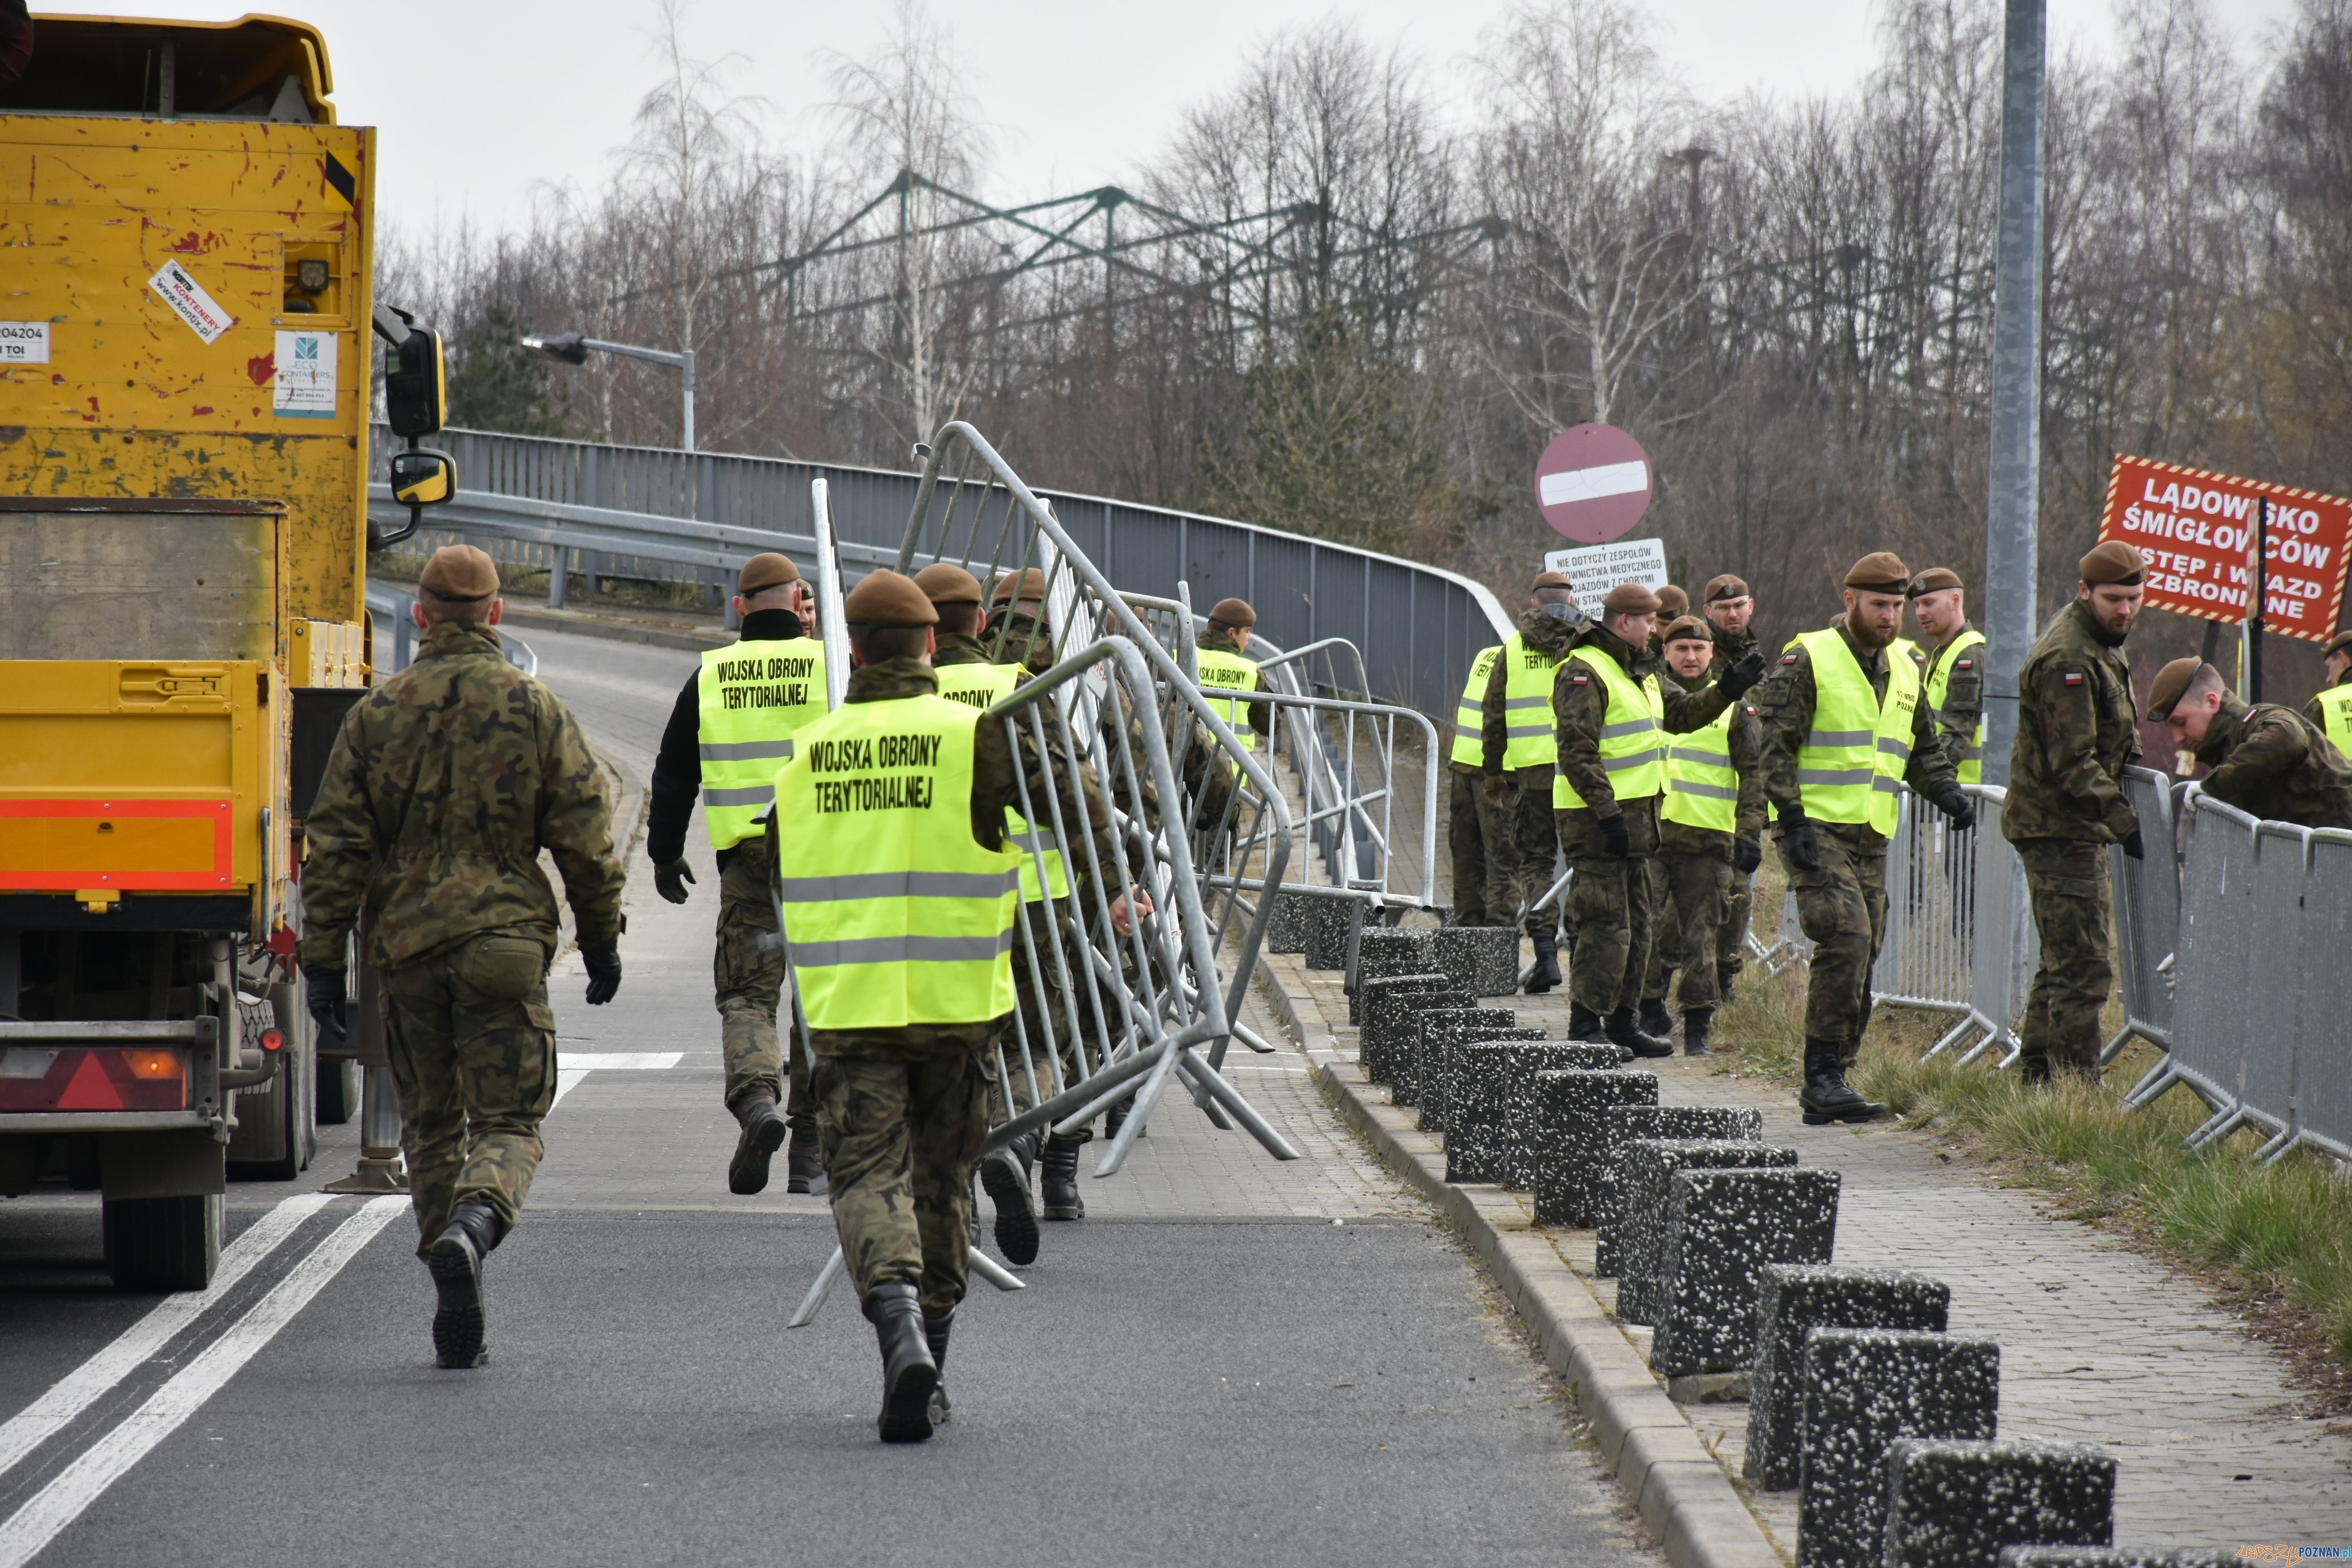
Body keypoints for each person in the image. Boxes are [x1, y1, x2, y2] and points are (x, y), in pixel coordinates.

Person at [778, 569, 1141, 1441]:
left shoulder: (809, 751)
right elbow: (1080, 806)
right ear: (933, 645)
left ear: (853, 650)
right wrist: (1113, 885)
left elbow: (777, 872)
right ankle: (931, 1357)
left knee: (867, 1177)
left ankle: (897, 1324)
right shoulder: (975, 735)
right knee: (942, 1185)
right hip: (957, 1009)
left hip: (852, 1009)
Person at [300, 545, 625, 1369]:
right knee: (509, 1121)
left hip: (406, 947)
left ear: (420, 614)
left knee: (432, 1124)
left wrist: (323, 957)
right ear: (497, 615)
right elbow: (586, 837)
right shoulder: (535, 707)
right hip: (505, 944)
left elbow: (335, 841)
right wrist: (600, 939)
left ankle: (448, 1255)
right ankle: (477, 1226)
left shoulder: (376, 713)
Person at [918, 562, 1139, 1244]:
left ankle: (955, 1205)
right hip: (1037, 898)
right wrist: (1117, 886)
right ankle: (1022, 1150)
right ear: (980, 621)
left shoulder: (900, 698)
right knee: (1045, 1039)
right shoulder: (1026, 686)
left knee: (952, 1049)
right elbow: (1082, 797)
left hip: (930, 905)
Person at [1755, 552, 1972, 1123]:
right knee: (1846, 936)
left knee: (1866, 948)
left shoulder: (1906, 664)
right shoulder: (1809, 657)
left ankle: (1836, 1076)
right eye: (1879, 605)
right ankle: (1821, 1077)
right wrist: (1792, 819)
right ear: (1850, 600)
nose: (1890, 616)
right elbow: (1773, 749)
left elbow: (1921, 749)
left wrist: (1948, 793)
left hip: (1872, 833)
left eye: (1897, 606)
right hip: (1816, 827)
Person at [644, 553, 827, 1196]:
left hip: (750, 863)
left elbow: (674, 774)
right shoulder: (832, 668)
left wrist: (664, 852)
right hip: (825, 854)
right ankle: (809, 1151)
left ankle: (757, 1103)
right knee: (820, 997)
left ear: (739, 606)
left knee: (749, 996)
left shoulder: (712, 676)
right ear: (799, 600)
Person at [1553, 584, 1763, 1056]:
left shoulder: (1640, 673)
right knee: (1604, 923)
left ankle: (1623, 1022)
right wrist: (1607, 814)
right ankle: (1585, 1024)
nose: (1655, 630)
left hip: (1637, 826)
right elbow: (1578, 752)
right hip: (1598, 824)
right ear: (1626, 621)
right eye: (1650, 622)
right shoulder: (1586, 671)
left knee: (1637, 927)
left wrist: (1725, 691)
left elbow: (1683, 713)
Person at [2002, 541, 2146, 1083]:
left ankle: (2040, 1079)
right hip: (2058, 828)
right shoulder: (2069, 656)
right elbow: (2073, 763)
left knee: (2063, 959)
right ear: (2085, 592)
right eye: (2114, 599)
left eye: (2134, 598)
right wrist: (2127, 820)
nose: (2125, 610)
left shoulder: (2103, 641)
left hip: (2073, 825)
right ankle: (2074, 1088)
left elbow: (2117, 731)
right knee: (2083, 967)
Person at [1637, 616, 1766, 1056]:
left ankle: (1697, 1026)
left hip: (1708, 841)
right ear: (1665, 653)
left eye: (1698, 649)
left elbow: (1753, 775)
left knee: (1700, 938)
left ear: (1712, 652)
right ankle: (1647, 1009)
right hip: (1653, 837)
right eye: (1681, 649)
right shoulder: (1647, 698)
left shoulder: (1734, 708)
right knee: (1646, 929)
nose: (1690, 657)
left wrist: (1749, 833)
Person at [1481, 571, 1587, 992]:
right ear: (1572, 601)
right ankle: (1581, 953)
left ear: (1534, 603)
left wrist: (1494, 771)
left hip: (1533, 776)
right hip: (1579, 771)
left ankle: (1545, 954)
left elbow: (1493, 715)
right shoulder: (1589, 644)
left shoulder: (1513, 647)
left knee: (1537, 861)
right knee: (1583, 862)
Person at [2148, 657, 2352, 829]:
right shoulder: (2231, 745)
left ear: (2212, 702)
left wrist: (2213, 786)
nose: (2178, 738)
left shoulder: (2259, 720)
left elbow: (2289, 737)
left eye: (2180, 723)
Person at [1703, 574, 1761, 1002]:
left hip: (1745, 793)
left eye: (1739, 605)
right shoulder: (1698, 654)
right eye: (1723, 608)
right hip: (1703, 790)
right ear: (1709, 613)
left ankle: (1726, 975)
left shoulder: (1758, 659)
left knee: (1740, 892)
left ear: (1751, 607)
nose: (1732, 614)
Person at [1446, 640, 1506, 926]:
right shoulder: (1536, 662)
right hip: (1499, 771)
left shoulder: (1486, 654)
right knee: (1502, 861)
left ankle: (1468, 934)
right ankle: (1497, 939)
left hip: (1463, 763)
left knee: (1466, 857)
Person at [1908, 568, 1986, 784]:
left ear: (1955, 600)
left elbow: (1956, 735)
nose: (1920, 613)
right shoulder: (1944, 652)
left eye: (1929, 603)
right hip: (1950, 789)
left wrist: (1923, 782)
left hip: (1962, 791)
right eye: (1917, 605)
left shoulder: (1969, 655)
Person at [1193, 597, 1274, 754]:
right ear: (1231, 633)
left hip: (1185, 765)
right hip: (1235, 766)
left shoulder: (1179, 659)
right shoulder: (1250, 671)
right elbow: (1270, 725)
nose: (1250, 637)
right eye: (1247, 631)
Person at [2305, 629, 2352, 755]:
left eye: (2329, 667)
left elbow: (2298, 756)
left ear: (2342, 659)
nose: (2329, 680)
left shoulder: (2324, 705)